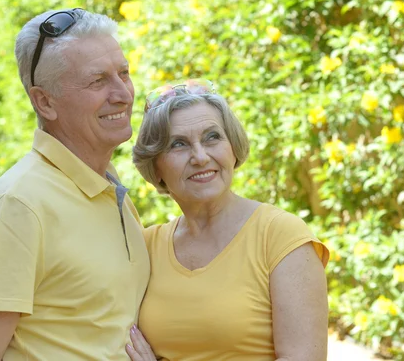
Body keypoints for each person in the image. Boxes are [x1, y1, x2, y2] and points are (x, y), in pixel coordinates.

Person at [0, 8, 150, 360]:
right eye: (97, 81)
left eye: (124, 73)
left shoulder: (110, 190)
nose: (123, 94)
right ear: (44, 102)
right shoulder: (19, 204)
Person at [127, 80, 329, 361]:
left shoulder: (281, 235)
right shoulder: (146, 245)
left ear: (232, 148)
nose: (200, 156)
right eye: (178, 144)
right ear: (156, 166)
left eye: (212, 137)